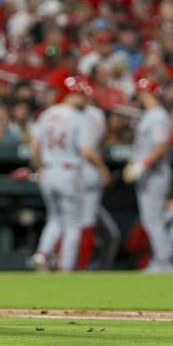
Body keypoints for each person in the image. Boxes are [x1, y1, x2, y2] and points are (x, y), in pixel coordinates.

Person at [29, 77, 107, 273]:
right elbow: (87, 151)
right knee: (73, 223)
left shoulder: (47, 114)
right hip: (69, 171)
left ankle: (42, 254)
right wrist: (102, 169)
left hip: (47, 171)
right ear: (72, 94)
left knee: (54, 219)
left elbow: (35, 146)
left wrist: (39, 167)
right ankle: (66, 267)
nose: (83, 99)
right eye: (80, 94)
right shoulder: (79, 118)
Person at [123, 78, 173, 272]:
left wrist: (141, 165)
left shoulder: (157, 116)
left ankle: (166, 261)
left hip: (155, 174)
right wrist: (135, 164)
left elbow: (161, 147)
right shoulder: (150, 115)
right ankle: (164, 259)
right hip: (149, 174)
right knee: (151, 220)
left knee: (153, 220)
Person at [76, 98, 116, 269]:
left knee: (62, 222)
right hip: (88, 170)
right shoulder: (96, 114)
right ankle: (79, 265)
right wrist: (102, 169)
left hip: (70, 170)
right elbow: (90, 148)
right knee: (86, 222)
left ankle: (59, 261)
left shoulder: (65, 112)